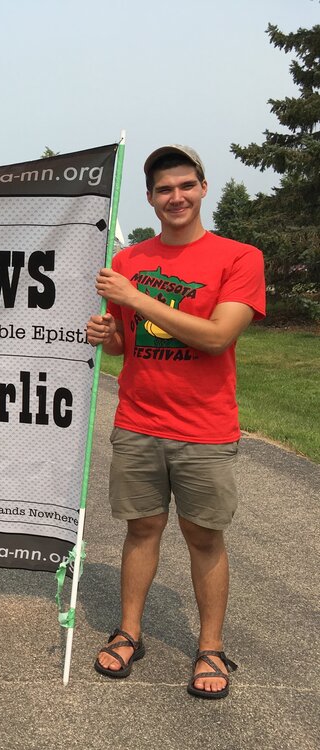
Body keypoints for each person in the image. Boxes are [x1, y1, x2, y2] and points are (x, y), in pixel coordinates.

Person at [86, 145, 265, 699]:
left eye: (185, 185)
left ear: (204, 188)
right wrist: (107, 334)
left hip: (204, 428)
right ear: (150, 199)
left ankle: (209, 647)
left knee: (204, 536)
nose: (176, 197)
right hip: (138, 419)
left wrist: (136, 297)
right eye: (164, 189)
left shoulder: (239, 257)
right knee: (141, 528)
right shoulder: (130, 260)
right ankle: (129, 631)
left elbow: (216, 337)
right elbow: (124, 346)